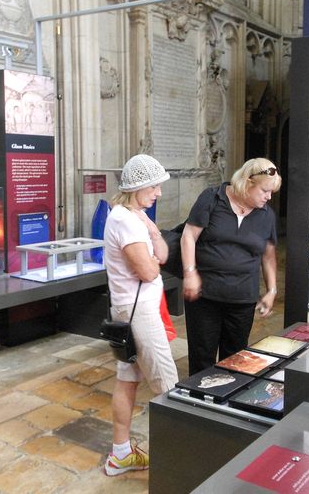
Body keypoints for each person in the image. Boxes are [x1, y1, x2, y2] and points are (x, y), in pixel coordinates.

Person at [102, 154, 178, 476]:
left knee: (128, 379)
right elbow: (148, 271)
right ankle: (179, 460)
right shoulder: (124, 220)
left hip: (132, 309)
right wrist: (152, 257)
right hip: (139, 313)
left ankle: (120, 454)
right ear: (137, 186)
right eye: (155, 185)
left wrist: (154, 233)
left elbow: (162, 255)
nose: (159, 192)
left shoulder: (135, 217)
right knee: (168, 385)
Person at [181, 158, 281, 375]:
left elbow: (268, 255)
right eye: (265, 190)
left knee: (235, 359)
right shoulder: (212, 198)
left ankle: (226, 405)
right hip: (205, 296)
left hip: (242, 299)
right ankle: (199, 403)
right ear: (247, 183)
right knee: (202, 356)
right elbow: (188, 235)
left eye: (271, 192)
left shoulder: (266, 215)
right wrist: (190, 273)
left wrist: (271, 290)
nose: (269, 197)